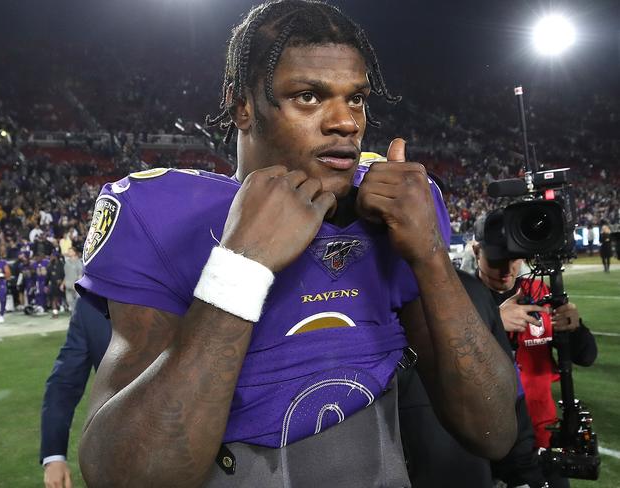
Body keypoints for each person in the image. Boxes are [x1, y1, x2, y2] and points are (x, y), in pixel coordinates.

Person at [76, 2, 517, 486]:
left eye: (357, 99)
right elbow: (124, 475)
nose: (345, 122)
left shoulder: (395, 209)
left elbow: (492, 431)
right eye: (309, 97)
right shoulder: (158, 214)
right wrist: (241, 267)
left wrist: (430, 255)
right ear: (242, 106)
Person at [473, 209, 598, 488]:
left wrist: (575, 328)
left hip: (543, 441)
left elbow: (587, 356)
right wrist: (494, 321)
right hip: (486, 444)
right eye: (497, 260)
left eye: (515, 259)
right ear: (474, 250)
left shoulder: (539, 293)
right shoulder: (461, 295)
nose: (507, 271)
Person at [399, 269, 547, 488]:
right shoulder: (345, 295)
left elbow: (506, 396)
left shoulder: (472, 290)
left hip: (467, 471)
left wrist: (522, 474)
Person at [40, 297, 112, 488]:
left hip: (192, 454)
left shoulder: (191, 288)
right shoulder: (91, 303)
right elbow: (65, 382)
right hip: (118, 452)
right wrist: (54, 455)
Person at [63, 248, 83, 313]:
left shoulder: (78, 262)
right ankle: (74, 314)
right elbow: (66, 274)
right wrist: (63, 283)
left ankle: (78, 315)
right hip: (68, 285)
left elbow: (80, 275)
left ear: (75, 252)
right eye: (68, 251)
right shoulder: (67, 262)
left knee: (78, 301)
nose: (69, 252)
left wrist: (76, 284)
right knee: (69, 300)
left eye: (70, 251)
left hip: (75, 286)